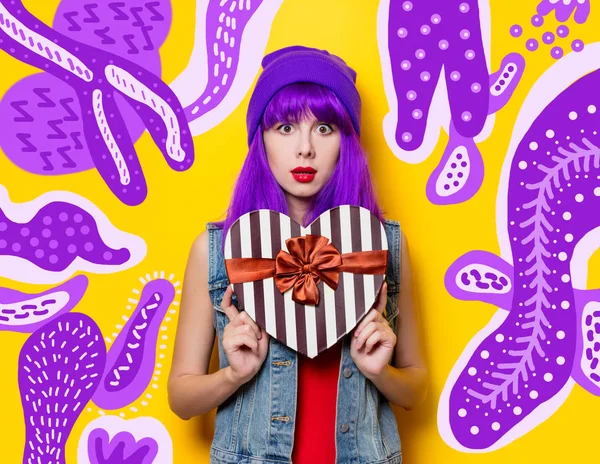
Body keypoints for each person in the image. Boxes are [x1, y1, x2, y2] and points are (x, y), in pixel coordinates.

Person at [168, 45, 427, 463]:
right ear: (261, 139)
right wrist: (236, 374)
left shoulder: (385, 244)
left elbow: (417, 387)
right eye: (285, 127)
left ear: (346, 142)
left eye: (324, 128)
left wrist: (380, 371)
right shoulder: (216, 251)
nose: (304, 148)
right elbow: (181, 397)